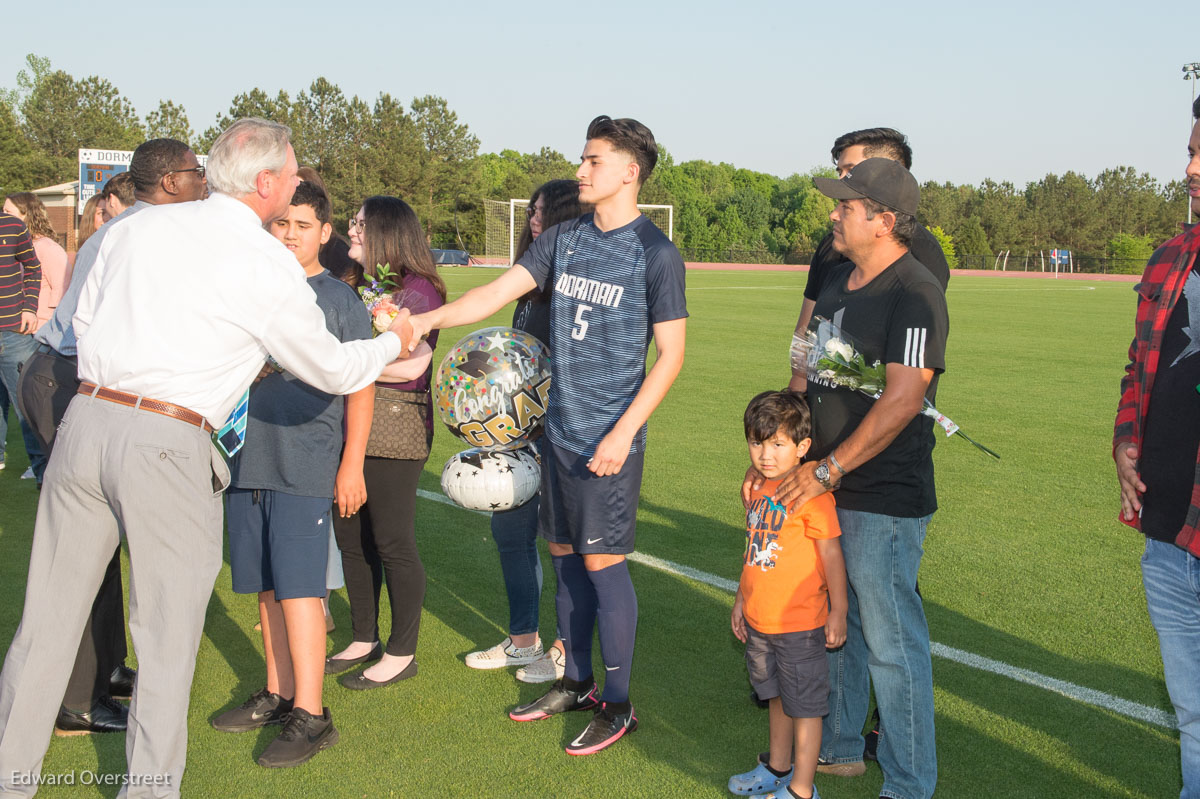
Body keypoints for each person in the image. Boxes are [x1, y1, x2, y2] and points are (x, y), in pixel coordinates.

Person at [0, 117, 413, 798]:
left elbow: (76, 328)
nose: (298, 181)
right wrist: (395, 340)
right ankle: (149, 788)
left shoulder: (129, 227)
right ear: (265, 182)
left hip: (87, 423)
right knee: (165, 639)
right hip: (166, 441)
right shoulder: (261, 259)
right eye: (292, 171)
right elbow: (332, 368)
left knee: (44, 624)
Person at [406, 115, 688, 755]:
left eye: (593, 161)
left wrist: (624, 432)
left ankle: (618, 706)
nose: (581, 170)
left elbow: (670, 355)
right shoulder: (563, 238)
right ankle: (576, 680)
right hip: (557, 435)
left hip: (607, 443)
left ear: (628, 171)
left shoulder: (655, 252)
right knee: (563, 561)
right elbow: (497, 292)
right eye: (584, 160)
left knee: (603, 567)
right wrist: (424, 321)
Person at [752, 158, 947, 799]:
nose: (833, 215)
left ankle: (911, 783)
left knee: (891, 642)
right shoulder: (838, 280)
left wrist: (829, 468)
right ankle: (837, 749)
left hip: (881, 494)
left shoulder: (915, 291)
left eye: (846, 206)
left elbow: (904, 397)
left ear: (884, 221)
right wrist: (782, 448)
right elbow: (810, 376)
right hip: (820, 486)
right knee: (835, 624)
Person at [14, 137, 205, 738]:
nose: (206, 184)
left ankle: (106, 669)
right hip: (71, 378)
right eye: (197, 173)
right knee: (83, 551)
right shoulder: (136, 235)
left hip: (69, 374)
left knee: (100, 539)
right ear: (170, 182)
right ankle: (75, 698)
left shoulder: (130, 234)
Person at [211, 181, 378, 767]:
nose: (287, 235)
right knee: (264, 584)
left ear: (324, 233)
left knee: (301, 589)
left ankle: (312, 713)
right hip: (246, 456)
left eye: (301, 226)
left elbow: (361, 383)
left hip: (304, 460)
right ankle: (278, 693)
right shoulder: (253, 287)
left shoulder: (336, 299)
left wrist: (352, 463)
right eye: (280, 223)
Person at [463, 179, 586, 684]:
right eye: (531, 211)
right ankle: (522, 642)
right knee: (510, 533)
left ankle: (564, 649)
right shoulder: (529, 287)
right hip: (513, 433)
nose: (533, 220)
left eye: (542, 212)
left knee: (563, 543)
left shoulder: (571, 291)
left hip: (557, 434)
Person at [1114, 96, 1200, 799]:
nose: (1191, 168)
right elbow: (1137, 366)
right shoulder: (1172, 257)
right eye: (1191, 150)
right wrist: (1123, 441)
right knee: (1195, 716)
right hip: (1168, 530)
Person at [325, 195, 442, 690]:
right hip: (351, 422)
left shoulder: (419, 290)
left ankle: (401, 652)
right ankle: (363, 636)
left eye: (359, 224)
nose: (351, 230)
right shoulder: (361, 283)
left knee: (391, 539)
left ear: (387, 233)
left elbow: (414, 365)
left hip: (396, 427)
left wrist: (345, 367)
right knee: (351, 536)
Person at [729, 391, 846, 799]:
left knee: (805, 709)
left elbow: (832, 556)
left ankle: (800, 789)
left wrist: (839, 611)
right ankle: (776, 768)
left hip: (799, 625)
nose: (765, 454)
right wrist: (742, 600)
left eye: (777, 444)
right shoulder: (757, 489)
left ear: (802, 448)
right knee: (775, 697)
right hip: (761, 621)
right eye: (757, 442)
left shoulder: (814, 499)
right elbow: (755, 551)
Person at [790, 128, 948, 395]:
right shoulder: (831, 246)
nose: (843, 179)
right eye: (840, 171)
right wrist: (796, 388)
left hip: (879, 423)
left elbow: (905, 385)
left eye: (851, 170)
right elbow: (806, 329)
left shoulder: (922, 261)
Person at [0, 209, 41, 479]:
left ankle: (43, 472)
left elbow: (34, 268)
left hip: (12, 332)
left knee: (27, 404)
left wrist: (29, 308)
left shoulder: (13, 226)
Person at [4, 194, 70, 332]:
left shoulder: (47, 248)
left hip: (39, 329)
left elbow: (63, 290)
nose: (4, 217)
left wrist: (46, 323)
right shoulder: (14, 247)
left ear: (27, 215)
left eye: (8, 212)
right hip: (19, 327)